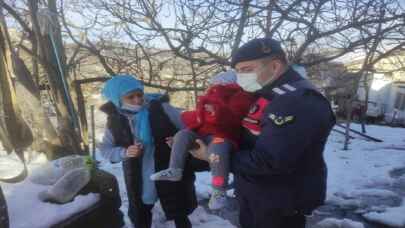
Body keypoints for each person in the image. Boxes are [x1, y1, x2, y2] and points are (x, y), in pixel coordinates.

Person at [191, 38, 336, 228]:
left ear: (275, 66)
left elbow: (269, 161)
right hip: (258, 193)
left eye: (247, 69)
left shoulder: (296, 100)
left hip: (279, 201)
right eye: (239, 71)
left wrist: (213, 156)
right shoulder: (268, 93)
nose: (241, 76)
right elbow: (248, 136)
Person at [98, 75, 207, 228]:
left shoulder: (161, 108)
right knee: (141, 208)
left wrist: (178, 141)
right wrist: (125, 152)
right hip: (137, 172)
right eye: (131, 97)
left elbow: (187, 130)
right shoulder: (114, 120)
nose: (137, 100)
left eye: (139, 94)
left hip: (169, 164)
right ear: (118, 99)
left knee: (177, 205)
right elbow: (105, 149)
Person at [151, 71, 255, 210]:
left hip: (224, 135)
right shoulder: (210, 97)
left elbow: (236, 117)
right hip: (202, 132)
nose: (211, 86)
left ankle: (219, 190)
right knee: (182, 135)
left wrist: (217, 111)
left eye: (214, 84)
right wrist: (183, 121)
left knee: (217, 150)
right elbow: (198, 116)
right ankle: (174, 170)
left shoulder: (240, 96)